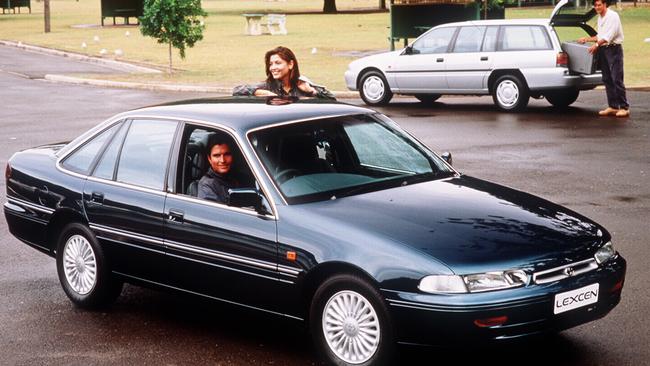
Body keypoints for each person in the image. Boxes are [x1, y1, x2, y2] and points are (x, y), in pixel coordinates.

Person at [578, 0, 629, 117]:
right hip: (604, 50)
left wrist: (596, 45)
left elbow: (609, 36)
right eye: (595, 5)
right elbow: (600, 36)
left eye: (599, 5)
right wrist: (586, 39)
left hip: (614, 49)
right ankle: (613, 106)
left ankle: (624, 107)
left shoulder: (613, 16)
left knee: (616, 78)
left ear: (605, 4)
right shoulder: (600, 18)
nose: (597, 7)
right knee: (607, 78)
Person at [233, 46, 336, 100]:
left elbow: (332, 99)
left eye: (278, 63)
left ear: (290, 64)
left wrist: (312, 91)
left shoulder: (303, 85)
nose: (273, 68)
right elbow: (237, 90)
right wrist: (262, 93)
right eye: (270, 64)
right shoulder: (267, 86)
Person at [197, 135, 240, 204]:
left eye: (227, 154)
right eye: (217, 155)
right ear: (209, 159)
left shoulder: (239, 177)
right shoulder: (207, 185)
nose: (222, 160)